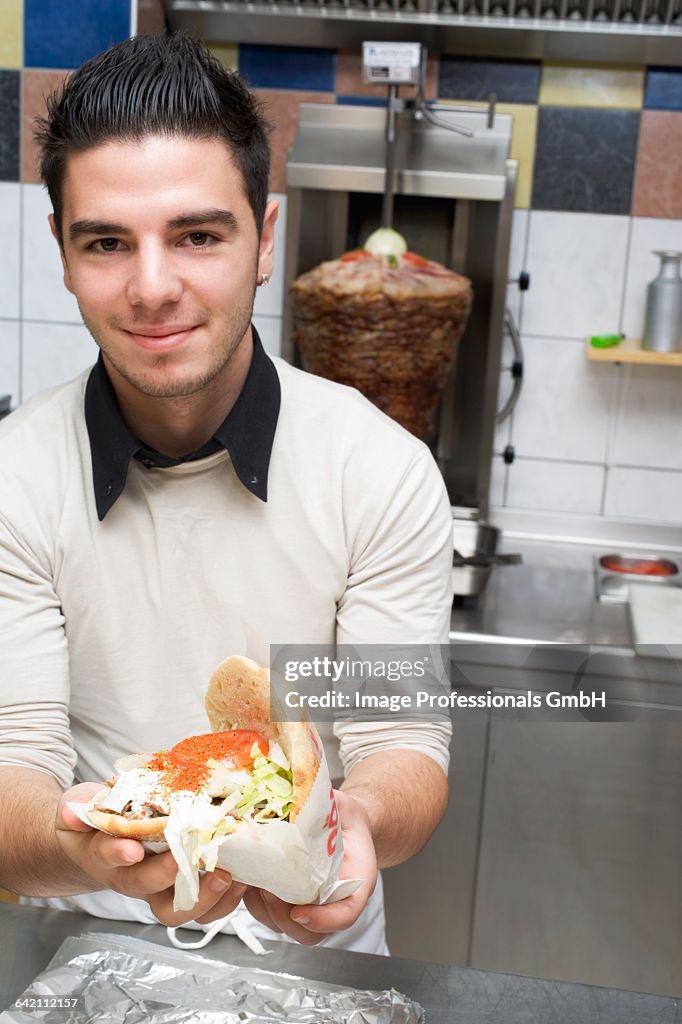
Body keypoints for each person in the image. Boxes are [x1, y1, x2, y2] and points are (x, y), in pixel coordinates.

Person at [0, 32, 452, 955]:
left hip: (313, 940)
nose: (152, 287)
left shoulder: (381, 470)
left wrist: (352, 825)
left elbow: (403, 745)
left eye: (198, 235)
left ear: (263, 237)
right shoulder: (13, 479)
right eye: (107, 243)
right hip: (88, 942)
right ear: (61, 249)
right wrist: (85, 850)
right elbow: (14, 770)